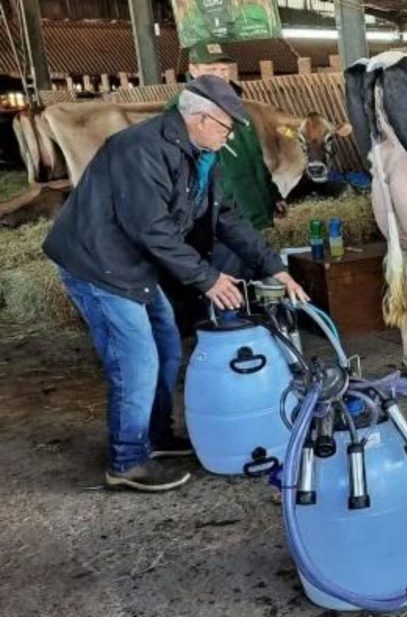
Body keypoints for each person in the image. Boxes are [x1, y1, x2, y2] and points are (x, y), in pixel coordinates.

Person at [43, 75, 309, 492]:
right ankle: (126, 460)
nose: (230, 133)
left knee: (167, 347)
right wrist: (207, 279)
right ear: (201, 118)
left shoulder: (204, 155)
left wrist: (273, 266)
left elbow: (228, 218)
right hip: (98, 265)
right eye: (226, 125)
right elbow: (152, 230)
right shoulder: (141, 150)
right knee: (136, 360)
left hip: (134, 264)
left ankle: (157, 436)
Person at [169, 43, 287, 280]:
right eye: (212, 69)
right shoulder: (183, 110)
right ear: (193, 70)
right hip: (223, 219)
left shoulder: (235, 104)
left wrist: (271, 194)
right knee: (233, 283)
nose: (221, 75)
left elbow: (252, 155)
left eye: (224, 69)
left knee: (258, 279)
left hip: (253, 209)